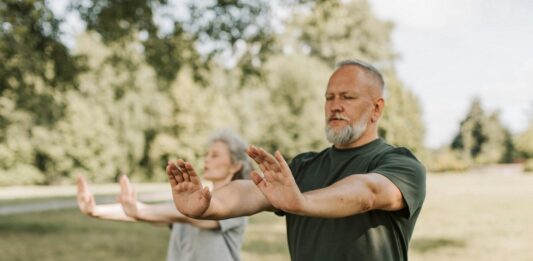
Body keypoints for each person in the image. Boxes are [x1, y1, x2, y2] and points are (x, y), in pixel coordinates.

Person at [166, 59, 426, 261]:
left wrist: (303, 202)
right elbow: (250, 191)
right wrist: (207, 208)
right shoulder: (303, 166)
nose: (335, 106)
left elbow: (367, 192)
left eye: (347, 97)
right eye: (329, 98)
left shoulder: (400, 163)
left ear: (377, 108)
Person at [77, 129, 253, 261]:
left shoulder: (237, 204)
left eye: (215, 155)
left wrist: (138, 211)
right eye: (207, 154)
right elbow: (155, 213)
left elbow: (194, 217)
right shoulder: (190, 201)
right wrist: (94, 210)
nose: (206, 159)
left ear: (235, 165)